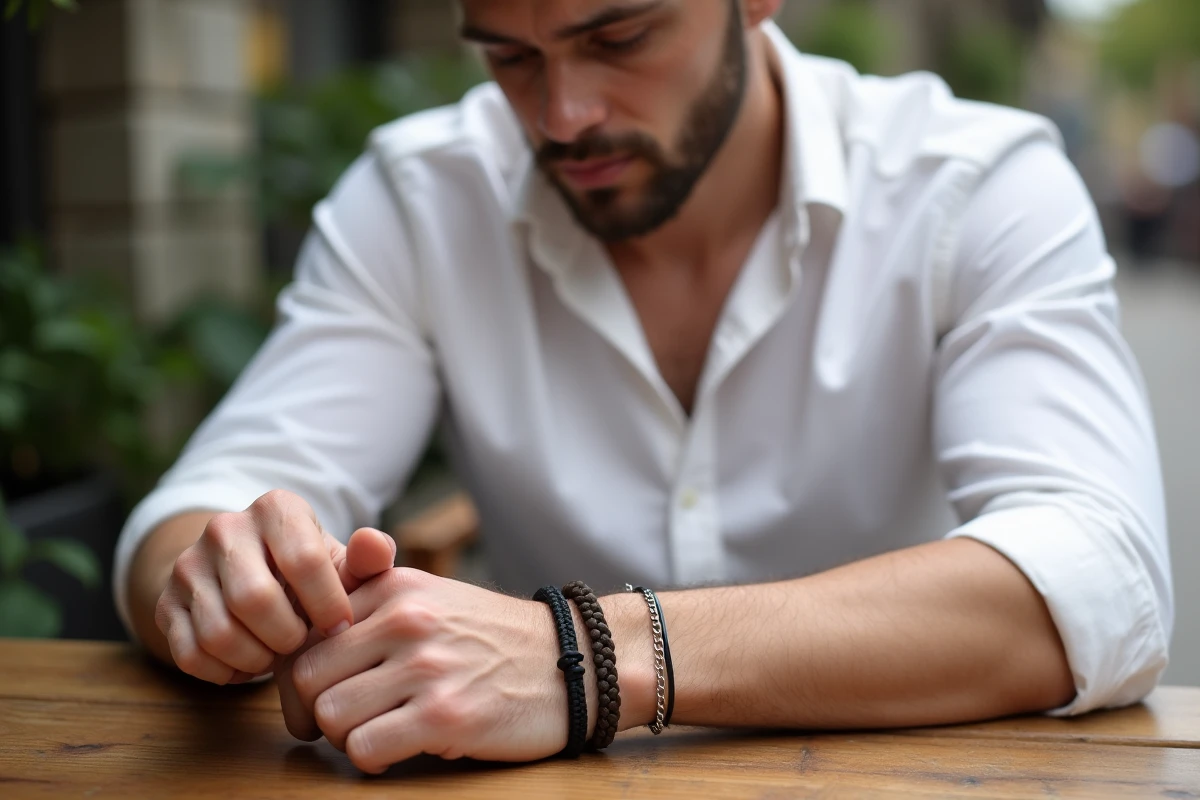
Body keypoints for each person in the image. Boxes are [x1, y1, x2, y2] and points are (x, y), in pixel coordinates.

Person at [115, 0, 1172, 775]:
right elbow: (200, 504)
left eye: (618, 38)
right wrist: (220, 580)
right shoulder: (420, 196)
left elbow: (1097, 574)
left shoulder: (977, 186)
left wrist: (583, 658)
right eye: (510, 56)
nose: (564, 116)